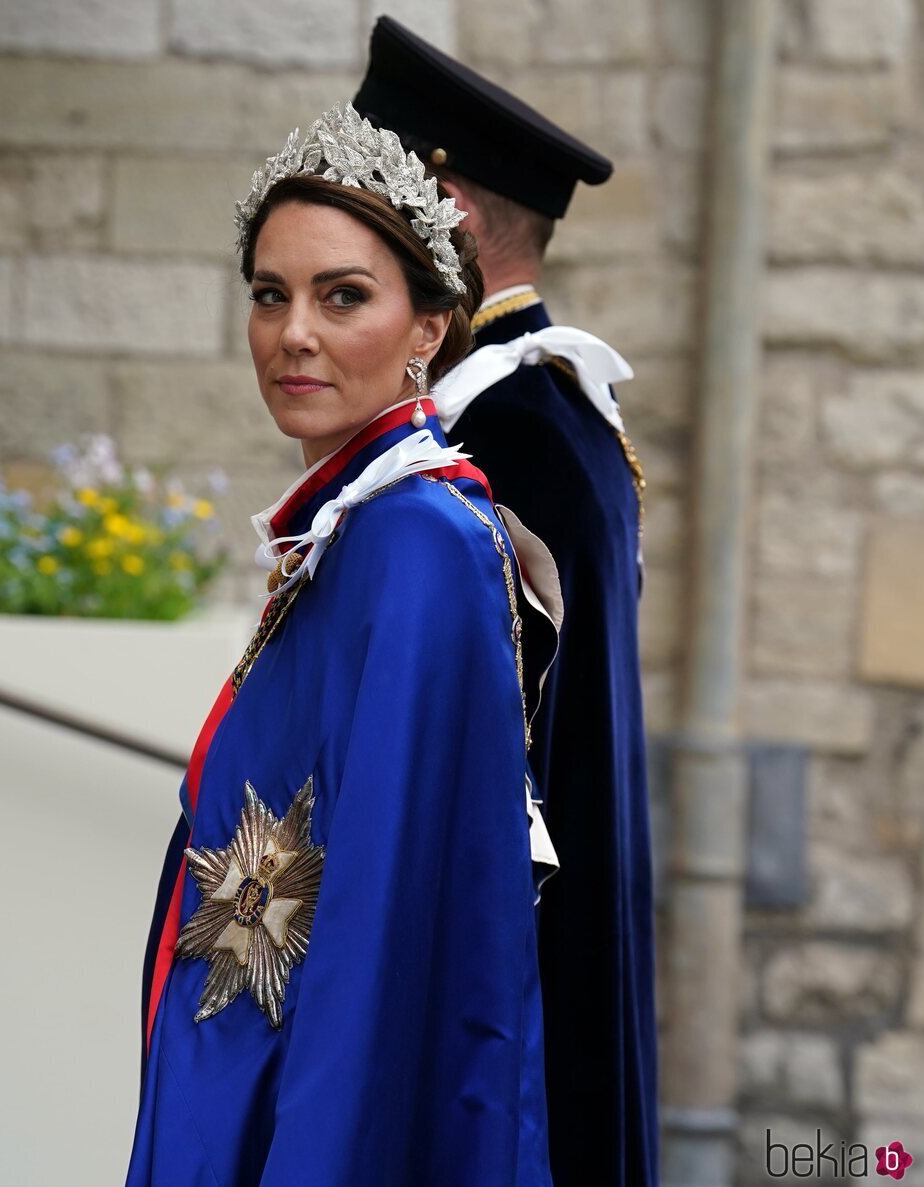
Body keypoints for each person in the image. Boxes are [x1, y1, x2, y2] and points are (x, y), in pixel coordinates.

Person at [127, 102, 564, 1187]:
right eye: (269, 295)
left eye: (343, 296)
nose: (293, 334)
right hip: (249, 1072)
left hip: (306, 1110)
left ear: (428, 327)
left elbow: (383, 924)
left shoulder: (415, 540)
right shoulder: (359, 521)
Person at [355, 19, 660, 1187]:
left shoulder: (500, 432)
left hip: (503, 987)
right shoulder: (547, 410)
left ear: (447, 208)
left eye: (371, 196)